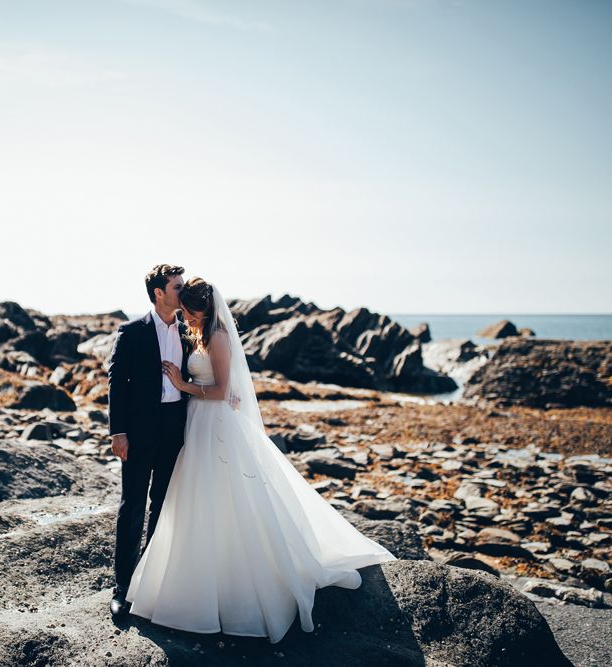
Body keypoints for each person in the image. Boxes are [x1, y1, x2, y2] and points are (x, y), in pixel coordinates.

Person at [125, 277, 396, 642]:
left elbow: (221, 390)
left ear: (204, 309)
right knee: (196, 499)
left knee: (227, 495)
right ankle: (193, 577)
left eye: (190, 312)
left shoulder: (218, 335)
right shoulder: (196, 331)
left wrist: (182, 384)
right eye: (185, 312)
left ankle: (234, 585)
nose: (185, 318)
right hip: (195, 423)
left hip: (215, 423)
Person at [107, 264, 193, 619]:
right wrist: (118, 432)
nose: (183, 293)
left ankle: (150, 580)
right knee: (132, 506)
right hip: (139, 431)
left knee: (162, 505)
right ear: (159, 293)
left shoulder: (189, 332)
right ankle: (122, 588)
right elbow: (116, 382)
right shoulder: (132, 331)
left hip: (175, 428)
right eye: (177, 287)